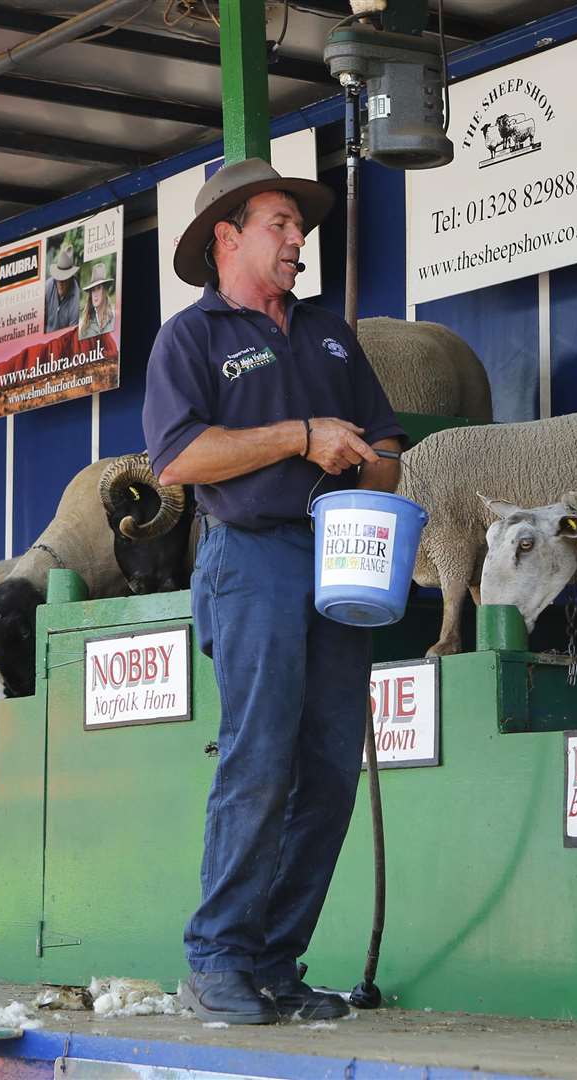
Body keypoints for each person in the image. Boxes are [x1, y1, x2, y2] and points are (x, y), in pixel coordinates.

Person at [142, 159, 404, 1025]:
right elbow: (179, 459)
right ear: (228, 237)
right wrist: (299, 436)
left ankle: (276, 965)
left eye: (300, 228)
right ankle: (214, 960)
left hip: (339, 554)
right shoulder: (192, 337)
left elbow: (387, 446)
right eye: (281, 225)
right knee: (258, 757)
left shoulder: (331, 334)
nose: (298, 240)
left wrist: (365, 462)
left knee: (329, 769)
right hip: (248, 555)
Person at [43, 242, 81, 331]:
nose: (60, 282)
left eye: (63, 279)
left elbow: (72, 334)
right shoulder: (48, 286)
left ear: (70, 278)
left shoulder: (76, 298)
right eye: (58, 277)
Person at [77, 261, 116, 340]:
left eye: (98, 288)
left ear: (104, 290)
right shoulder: (84, 327)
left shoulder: (114, 318)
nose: (95, 294)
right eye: (93, 290)